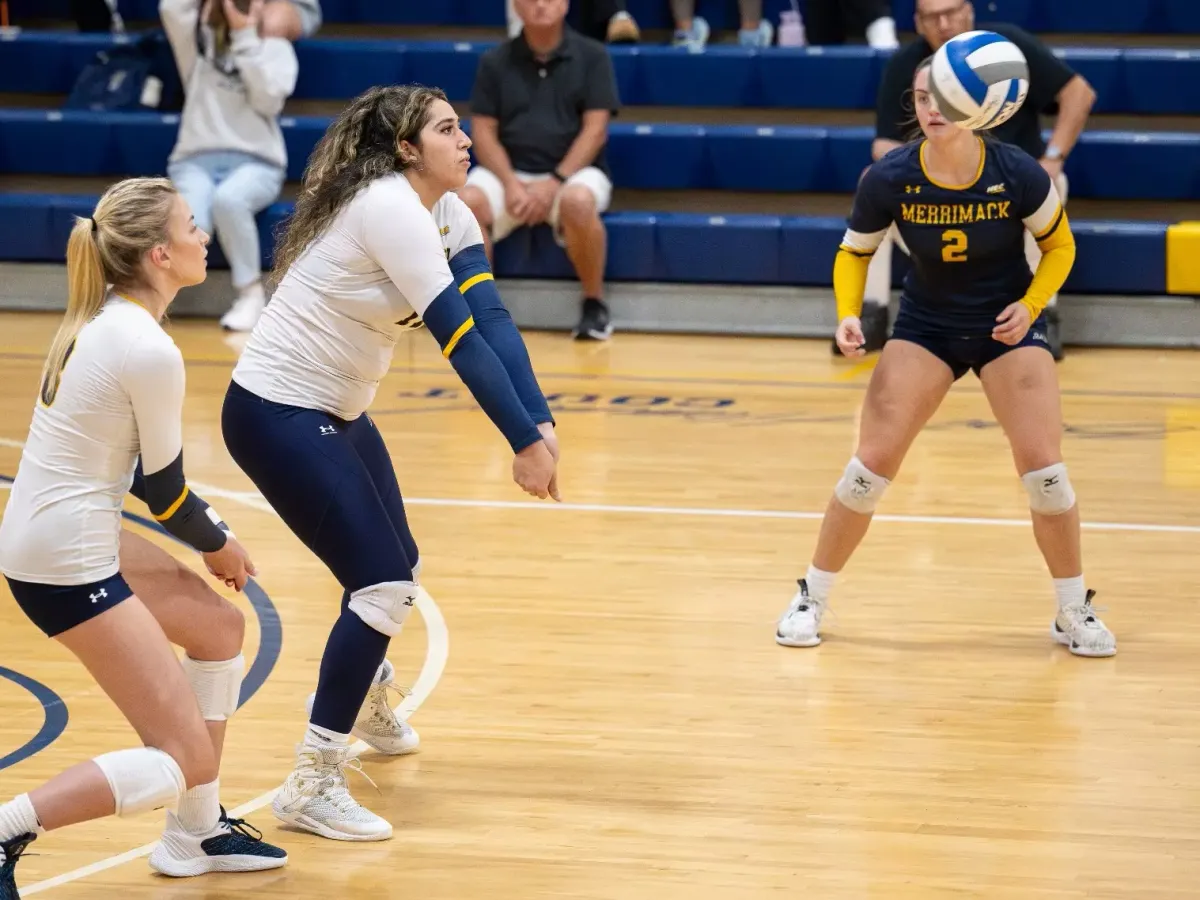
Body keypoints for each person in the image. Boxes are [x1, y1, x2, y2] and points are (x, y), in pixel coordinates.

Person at [221, 83, 560, 841]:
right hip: (275, 410)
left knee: (395, 560)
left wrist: (538, 418)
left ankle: (365, 691)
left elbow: (492, 318)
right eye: (447, 130)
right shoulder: (387, 207)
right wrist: (522, 446)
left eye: (464, 127)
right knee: (382, 584)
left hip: (334, 410)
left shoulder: (451, 210)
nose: (466, 140)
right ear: (408, 149)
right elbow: (461, 341)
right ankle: (311, 780)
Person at [0, 177, 287, 897]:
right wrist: (220, 541)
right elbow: (166, 496)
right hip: (65, 559)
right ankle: (6, 826)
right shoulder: (146, 348)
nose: (204, 237)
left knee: (219, 628)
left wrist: (213, 535)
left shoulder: (106, 322)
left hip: (60, 532)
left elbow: (127, 472)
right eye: (194, 226)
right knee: (181, 755)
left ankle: (196, 832)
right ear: (160, 253)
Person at [774, 61, 1115, 659]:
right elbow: (854, 252)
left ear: (976, 107)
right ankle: (811, 595)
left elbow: (1060, 247)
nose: (934, 108)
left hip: (1004, 328)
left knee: (1046, 475)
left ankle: (1072, 608)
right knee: (868, 468)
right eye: (923, 97)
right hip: (927, 326)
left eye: (948, 98)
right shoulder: (889, 177)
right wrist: (847, 313)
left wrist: (1032, 305)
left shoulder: (1016, 173)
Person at [855, 0, 1096, 359]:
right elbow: (883, 142)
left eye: (951, 12)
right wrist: (902, 169)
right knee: (871, 182)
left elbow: (1079, 92)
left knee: (1051, 185)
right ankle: (870, 313)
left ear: (969, 12)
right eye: (933, 17)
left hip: (1010, 188)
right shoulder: (907, 65)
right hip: (937, 189)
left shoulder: (1005, 48)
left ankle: (1041, 311)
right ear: (918, 24)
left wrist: (1054, 156)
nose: (944, 23)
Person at [460, 0, 620, 341]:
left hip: (574, 173)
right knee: (465, 202)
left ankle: (594, 305)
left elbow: (596, 131)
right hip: (509, 175)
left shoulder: (593, 56)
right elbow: (483, 132)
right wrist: (511, 183)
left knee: (577, 200)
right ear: (515, 5)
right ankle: (483, 314)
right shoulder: (494, 61)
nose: (541, 4)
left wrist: (555, 182)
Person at [160, 0, 299, 333]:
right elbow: (170, 7)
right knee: (193, 220)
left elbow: (268, 100)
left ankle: (250, 294)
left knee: (230, 201)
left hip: (258, 162)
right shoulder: (196, 43)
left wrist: (246, 35)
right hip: (194, 160)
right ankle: (149, 296)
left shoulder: (277, 49)